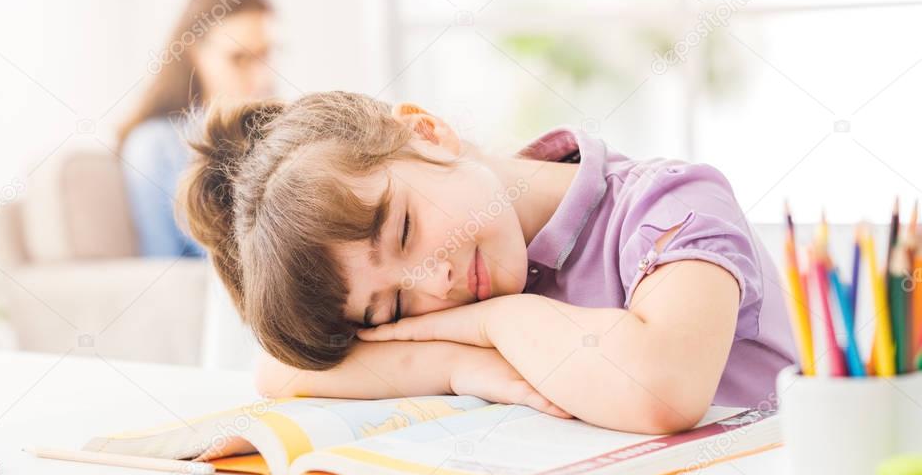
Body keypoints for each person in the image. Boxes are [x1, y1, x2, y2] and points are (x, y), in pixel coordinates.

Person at [178, 92, 797, 434]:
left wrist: (493, 326)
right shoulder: (467, 280)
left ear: (427, 132)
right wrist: (457, 367)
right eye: (392, 307)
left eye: (404, 229)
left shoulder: (669, 201)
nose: (434, 286)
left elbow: (661, 391)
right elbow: (279, 373)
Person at [118, 0, 274, 257]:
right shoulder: (155, 146)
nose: (261, 78)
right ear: (196, 52)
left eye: (265, 56)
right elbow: (163, 269)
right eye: (239, 59)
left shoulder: (275, 133)